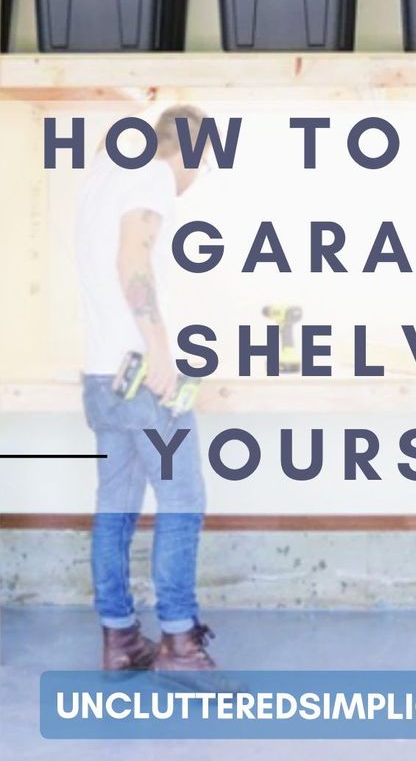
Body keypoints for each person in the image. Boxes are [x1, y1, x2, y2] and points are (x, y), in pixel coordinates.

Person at [76, 105, 215, 671]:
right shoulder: (152, 175)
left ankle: (120, 638)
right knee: (183, 499)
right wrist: (161, 351)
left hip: (100, 375)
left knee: (116, 505)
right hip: (142, 373)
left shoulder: (103, 178)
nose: (197, 175)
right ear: (189, 149)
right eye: (201, 162)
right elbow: (133, 257)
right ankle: (180, 642)